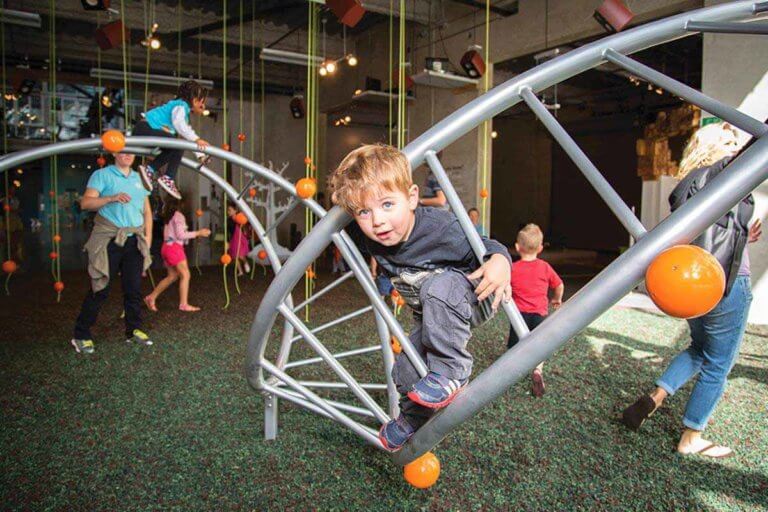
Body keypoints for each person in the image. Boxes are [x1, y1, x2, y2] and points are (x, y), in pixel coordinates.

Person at [329, 144, 512, 452]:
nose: (378, 222)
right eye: (364, 211)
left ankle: (452, 369)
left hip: (471, 297)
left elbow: (487, 245)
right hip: (430, 314)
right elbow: (337, 216)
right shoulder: (370, 236)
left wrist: (501, 261)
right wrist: (340, 196)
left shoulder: (439, 227)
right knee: (406, 369)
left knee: (438, 288)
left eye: (388, 204)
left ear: (412, 197)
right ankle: (412, 419)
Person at [621, 122, 762, 458]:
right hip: (725, 283)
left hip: (692, 285)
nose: (735, 145)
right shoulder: (724, 175)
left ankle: (655, 397)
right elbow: (754, 150)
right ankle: (691, 436)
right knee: (719, 364)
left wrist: (742, 235)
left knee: (700, 348)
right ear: (716, 149)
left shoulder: (687, 185)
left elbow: (709, 232)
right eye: (729, 141)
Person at [70, 152, 153, 354]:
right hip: (109, 238)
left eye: (131, 151)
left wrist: (148, 239)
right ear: (114, 152)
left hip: (134, 240)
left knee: (133, 289)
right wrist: (111, 198)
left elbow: (146, 211)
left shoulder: (140, 177)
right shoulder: (102, 175)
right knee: (101, 288)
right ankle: (81, 335)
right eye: (123, 151)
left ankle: (133, 330)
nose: (127, 155)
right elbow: (86, 203)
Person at [506, 223, 564, 397]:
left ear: (517, 247)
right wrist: (556, 299)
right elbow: (559, 284)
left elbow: (505, 287)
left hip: (519, 316)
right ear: (540, 248)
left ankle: (511, 372)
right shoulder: (544, 267)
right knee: (539, 346)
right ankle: (537, 370)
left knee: (514, 347)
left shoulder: (513, 268)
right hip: (539, 314)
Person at [134, 80, 210, 200]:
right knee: (177, 145)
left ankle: (150, 169)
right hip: (146, 128)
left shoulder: (180, 109)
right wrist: (197, 139)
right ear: (195, 100)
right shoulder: (181, 106)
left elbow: (185, 132)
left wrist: (200, 154)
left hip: (147, 131)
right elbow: (179, 124)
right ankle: (168, 177)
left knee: (174, 148)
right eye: (202, 102)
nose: (203, 106)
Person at [144, 197, 210, 312]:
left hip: (166, 247)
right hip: (174, 248)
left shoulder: (169, 217)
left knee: (172, 276)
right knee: (185, 275)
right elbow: (180, 235)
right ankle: (183, 304)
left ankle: (151, 297)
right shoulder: (178, 215)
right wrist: (199, 233)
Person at [227, 204, 251, 277]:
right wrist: (228, 241)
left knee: (240, 255)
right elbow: (229, 231)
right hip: (234, 238)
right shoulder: (229, 220)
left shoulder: (240, 217)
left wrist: (245, 231)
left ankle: (245, 262)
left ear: (235, 210)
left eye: (230, 210)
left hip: (240, 237)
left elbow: (245, 225)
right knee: (235, 256)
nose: (228, 212)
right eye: (228, 210)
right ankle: (240, 271)